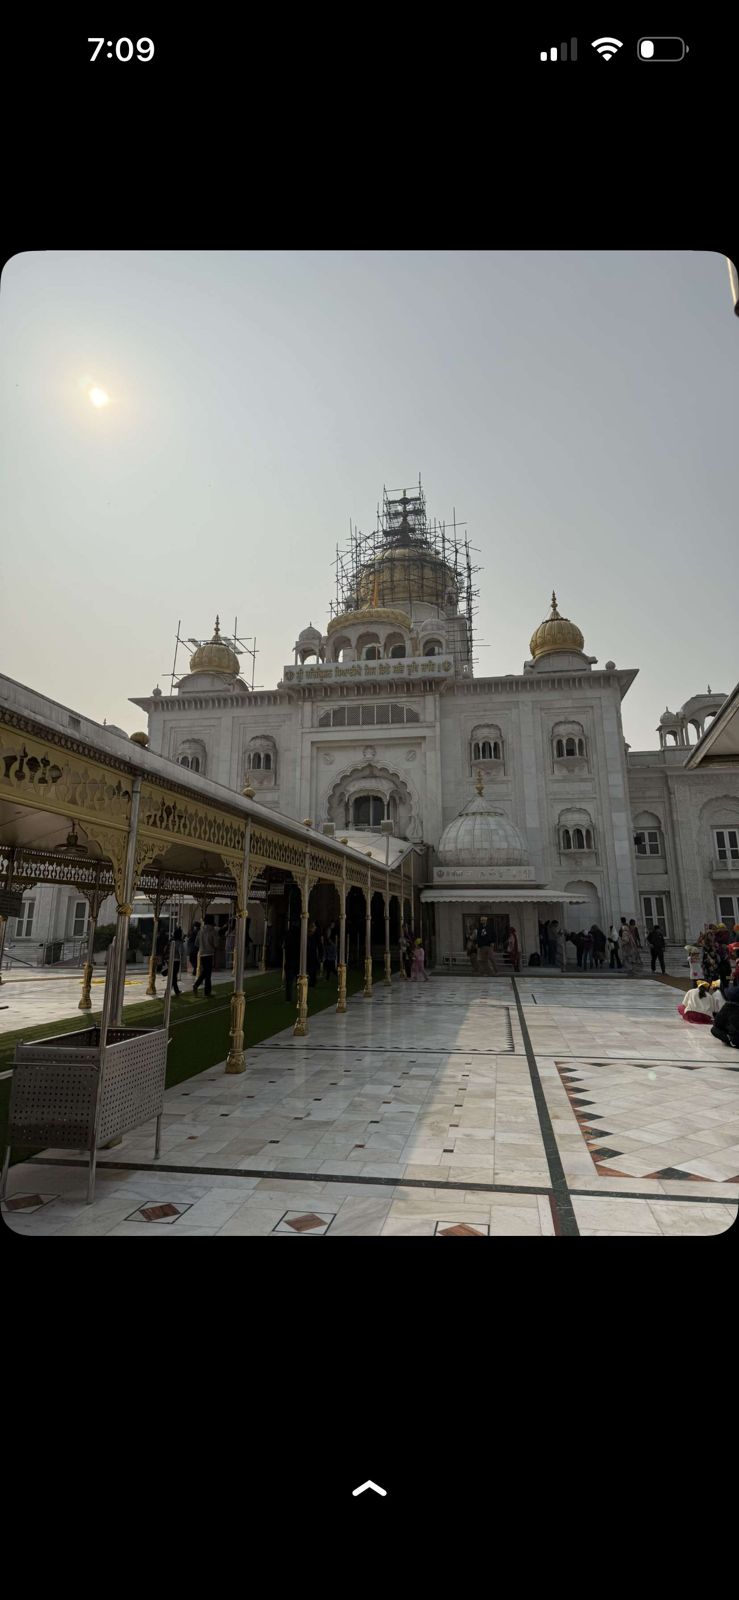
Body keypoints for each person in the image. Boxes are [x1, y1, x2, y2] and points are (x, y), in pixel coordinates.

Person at [192, 915, 216, 997]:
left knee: (205, 972)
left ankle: (201, 988)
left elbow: (196, 943)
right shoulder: (212, 930)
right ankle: (205, 990)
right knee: (207, 973)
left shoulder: (200, 931)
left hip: (202, 953)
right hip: (209, 953)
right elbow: (215, 943)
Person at [283, 922, 301, 1003]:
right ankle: (300, 996)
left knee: (289, 981)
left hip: (289, 960)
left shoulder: (288, 936)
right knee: (299, 980)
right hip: (296, 960)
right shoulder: (299, 936)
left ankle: (289, 998)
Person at [306, 921, 323, 987]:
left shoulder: (316, 935)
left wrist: (321, 955)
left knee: (312, 969)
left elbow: (320, 945)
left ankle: (312, 982)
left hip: (313, 954)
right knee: (310, 969)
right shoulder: (308, 934)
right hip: (309, 953)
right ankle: (311, 981)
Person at [168, 926, 184, 996]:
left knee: (172, 976)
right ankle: (171, 991)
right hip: (176, 960)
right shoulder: (179, 942)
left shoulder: (171, 940)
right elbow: (181, 952)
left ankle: (173, 990)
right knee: (174, 976)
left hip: (169, 960)